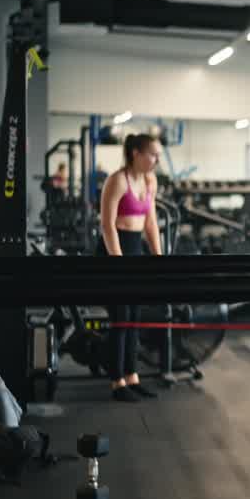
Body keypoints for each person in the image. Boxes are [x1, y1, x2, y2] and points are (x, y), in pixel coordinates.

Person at [98, 134, 164, 402]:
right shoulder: (116, 180)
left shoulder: (150, 181)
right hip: (115, 250)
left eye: (158, 155)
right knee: (121, 318)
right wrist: (117, 260)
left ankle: (132, 375)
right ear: (136, 153)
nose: (156, 160)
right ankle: (117, 381)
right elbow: (107, 224)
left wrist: (158, 255)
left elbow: (151, 223)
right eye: (152, 154)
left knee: (135, 316)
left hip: (136, 249)